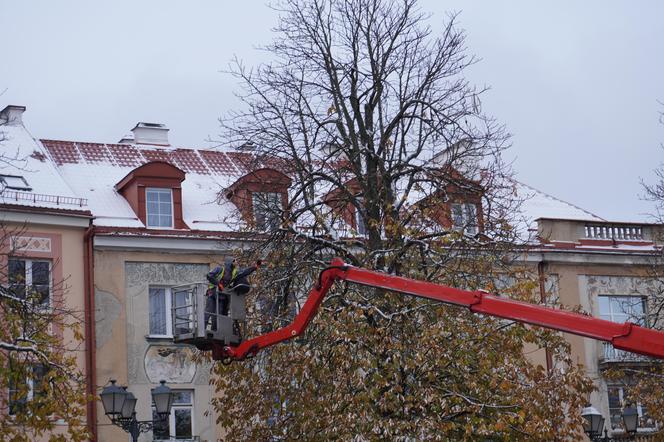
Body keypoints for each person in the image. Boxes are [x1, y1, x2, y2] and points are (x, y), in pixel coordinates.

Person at [205, 257, 261, 331]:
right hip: (212, 294)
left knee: (219, 315)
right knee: (209, 312)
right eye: (234, 261)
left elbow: (244, 272)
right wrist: (218, 284)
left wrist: (254, 267)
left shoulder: (234, 273)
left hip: (221, 296)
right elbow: (209, 275)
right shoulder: (220, 269)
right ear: (229, 262)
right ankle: (202, 330)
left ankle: (215, 331)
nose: (236, 262)